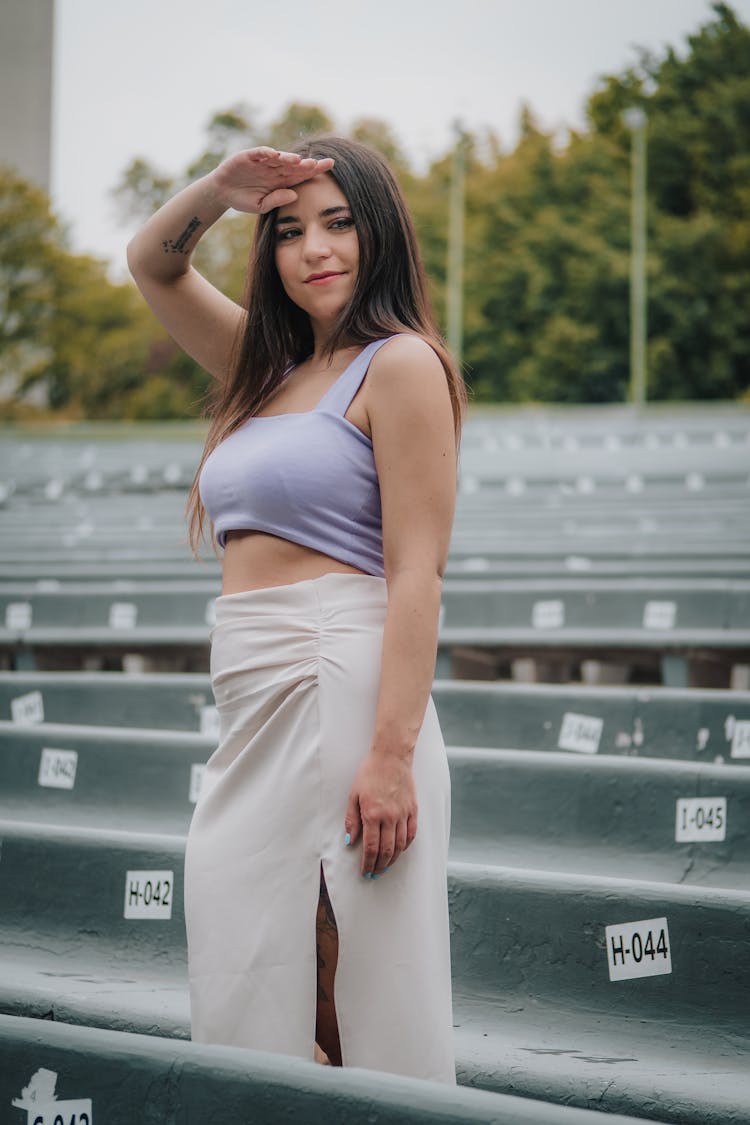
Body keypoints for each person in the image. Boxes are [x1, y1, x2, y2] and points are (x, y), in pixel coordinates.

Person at [127, 135, 467, 1083]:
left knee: (367, 983)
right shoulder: (262, 365)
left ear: (381, 236)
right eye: (288, 230)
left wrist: (392, 755)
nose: (314, 248)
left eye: (339, 223)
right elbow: (153, 262)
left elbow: (416, 573)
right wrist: (220, 190)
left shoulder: (399, 366)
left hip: (345, 679)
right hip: (253, 692)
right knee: (241, 960)